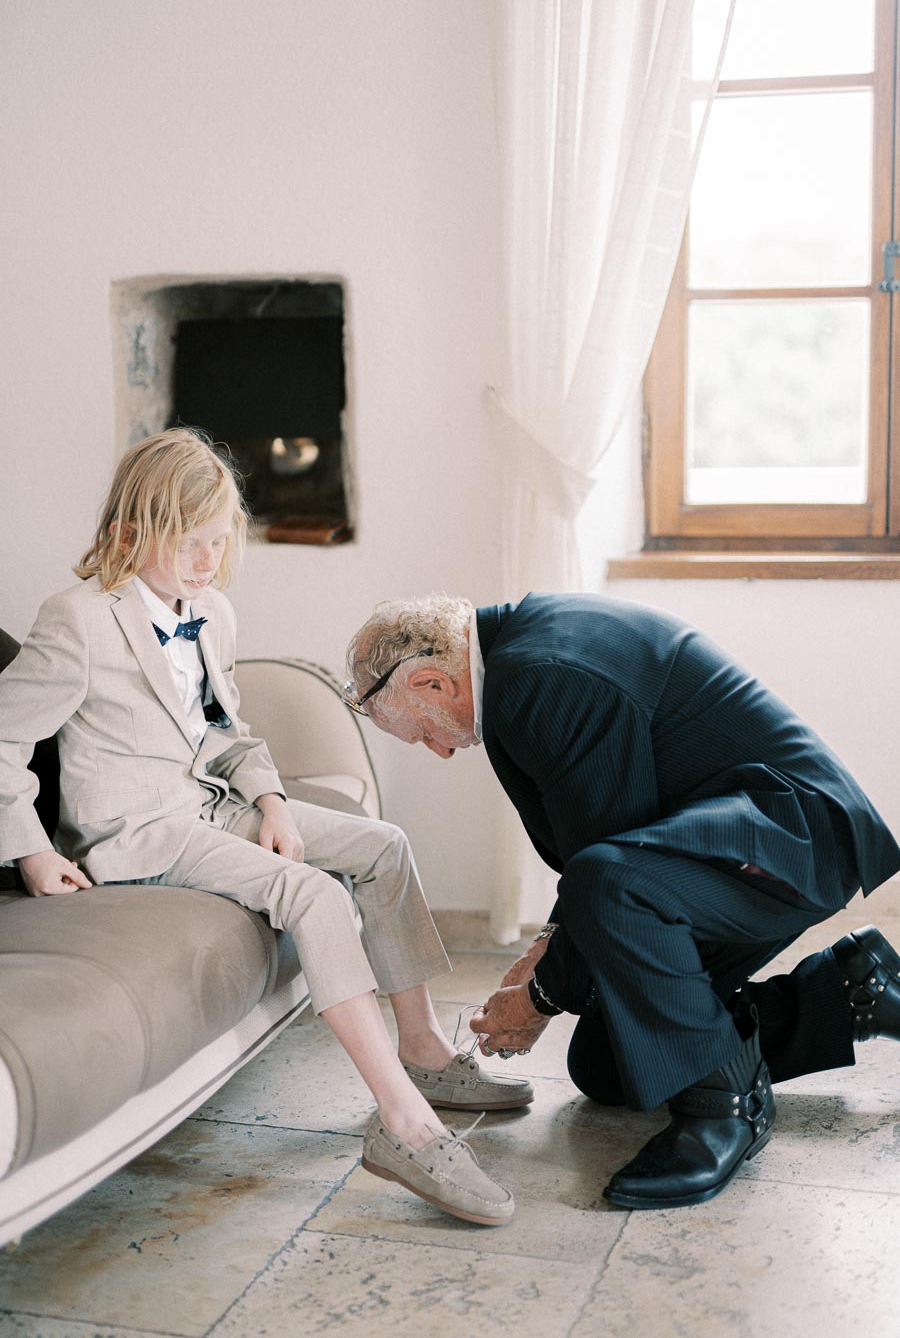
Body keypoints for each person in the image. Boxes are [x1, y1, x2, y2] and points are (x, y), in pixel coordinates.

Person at [0, 432, 532, 1228]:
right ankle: (403, 1124)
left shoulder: (211, 613)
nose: (208, 560)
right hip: (136, 829)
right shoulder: (76, 620)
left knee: (383, 846)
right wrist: (34, 851)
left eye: (220, 541)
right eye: (191, 541)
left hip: (212, 802)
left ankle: (422, 1050)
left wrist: (273, 802)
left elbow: (223, 728)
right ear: (138, 525)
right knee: (310, 893)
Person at [344, 590, 900, 1209]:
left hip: (790, 839)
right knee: (610, 1065)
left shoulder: (540, 676)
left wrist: (539, 997)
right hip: (740, 838)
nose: (442, 750)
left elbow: (609, 868)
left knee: (610, 896)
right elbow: (608, 842)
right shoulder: (528, 649)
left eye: (421, 731)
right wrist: (549, 949)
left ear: (431, 680)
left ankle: (725, 1109)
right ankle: (851, 993)